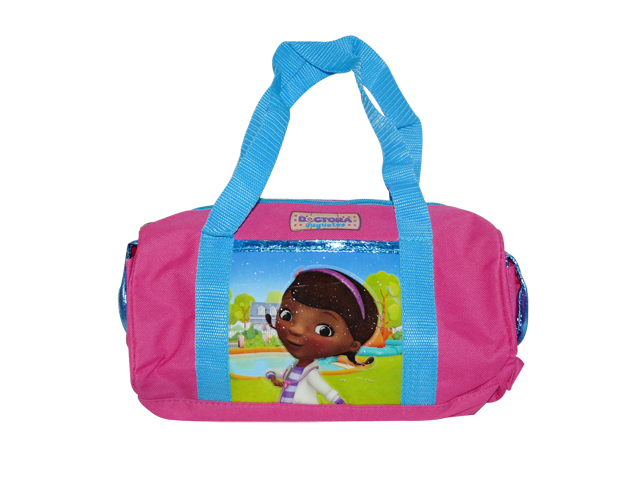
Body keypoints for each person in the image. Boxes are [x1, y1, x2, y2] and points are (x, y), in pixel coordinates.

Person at [265, 268, 378, 404]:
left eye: (324, 330)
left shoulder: (310, 374)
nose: (296, 330)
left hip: (306, 413)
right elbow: (276, 372)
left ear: (353, 345)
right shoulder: (294, 367)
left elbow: (326, 391)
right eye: (286, 315)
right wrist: (272, 377)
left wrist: (341, 404)